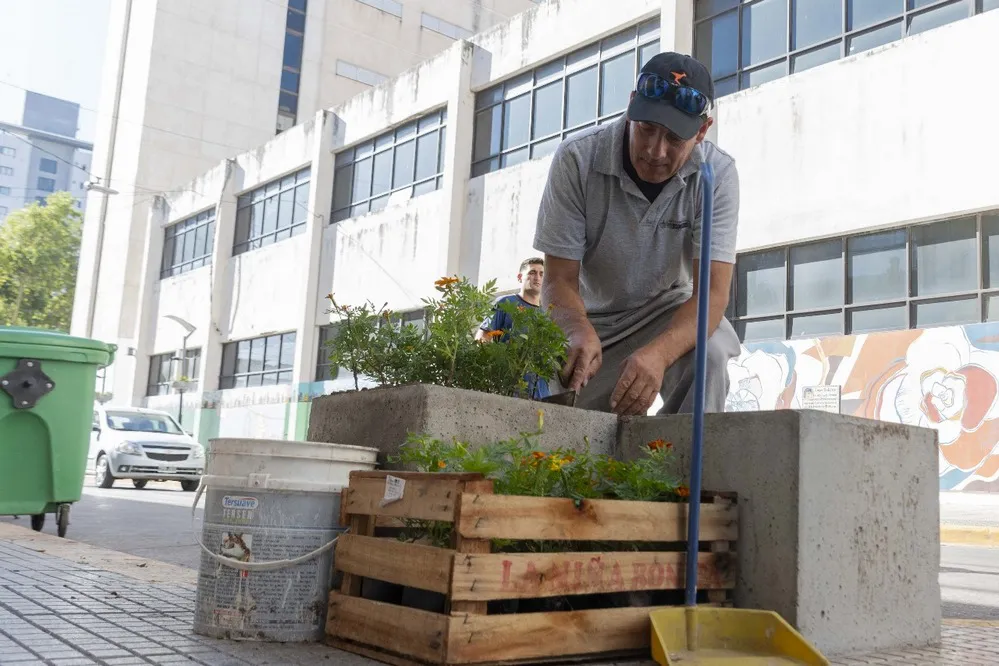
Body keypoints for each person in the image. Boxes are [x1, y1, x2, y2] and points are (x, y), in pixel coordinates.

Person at [533, 51, 741, 416]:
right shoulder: (577, 160)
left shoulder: (716, 176)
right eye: (646, 128)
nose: (654, 151)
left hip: (667, 311)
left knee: (713, 352)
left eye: (674, 138)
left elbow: (713, 291)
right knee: (562, 444)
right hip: (592, 323)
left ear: (702, 131)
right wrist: (575, 327)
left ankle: (679, 469)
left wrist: (659, 354)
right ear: (631, 107)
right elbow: (558, 280)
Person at [476, 257, 552, 399]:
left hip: (541, 393)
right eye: (532, 273)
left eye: (542, 274)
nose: (537, 278)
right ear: (519, 277)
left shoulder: (547, 315)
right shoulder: (505, 303)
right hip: (508, 387)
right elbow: (482, 340)